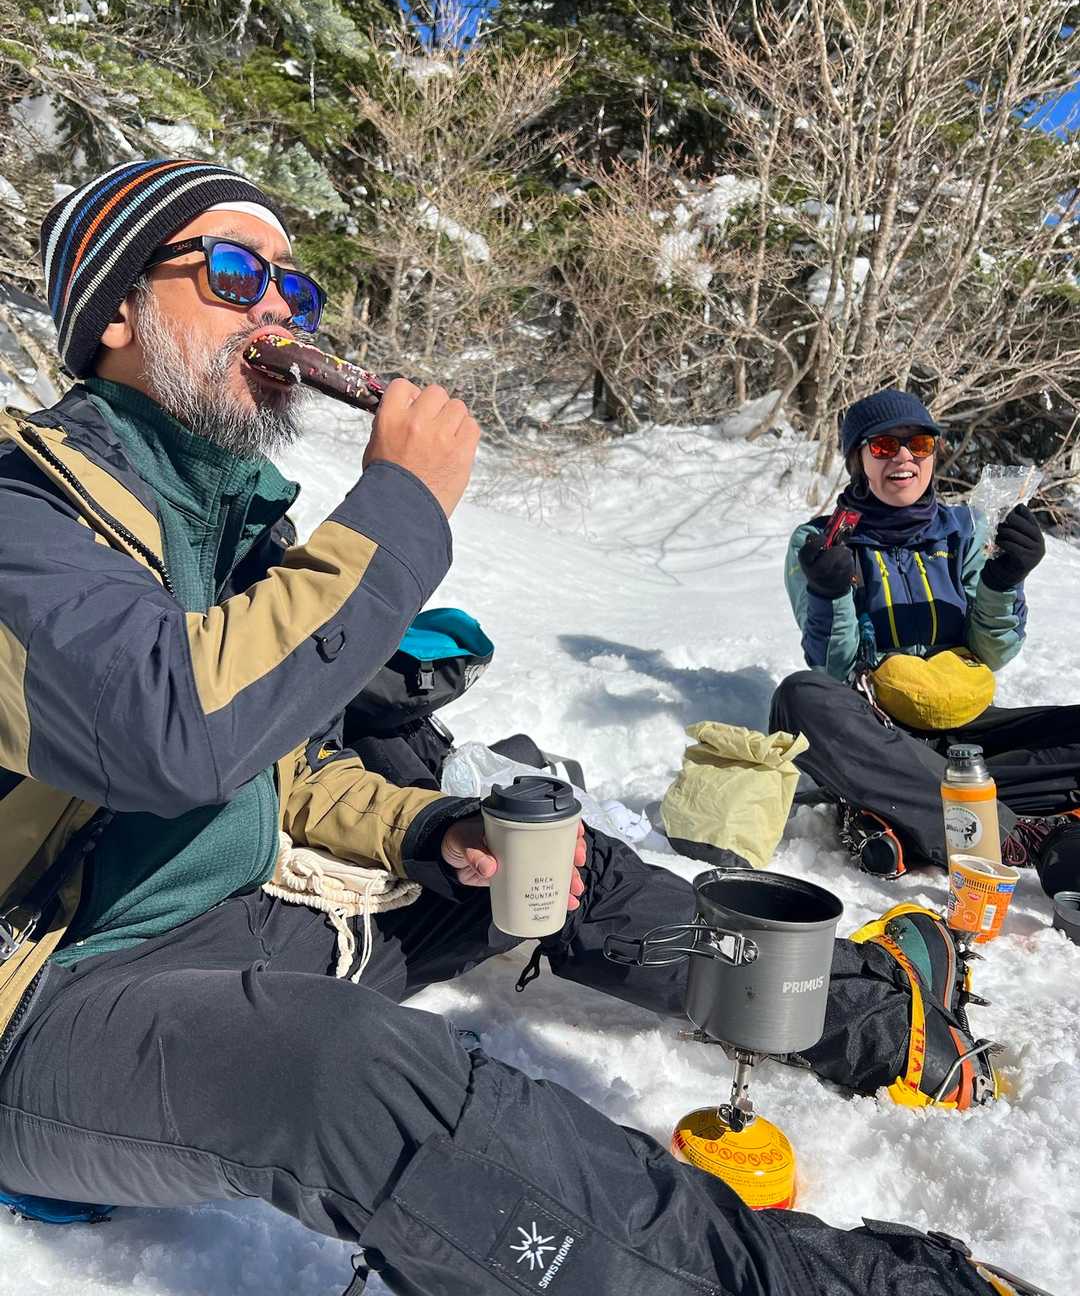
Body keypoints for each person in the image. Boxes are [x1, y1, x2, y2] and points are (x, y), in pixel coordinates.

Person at [0, 163, 1038, 1296]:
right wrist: (399, 505)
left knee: (541, 854)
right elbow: (174, 731)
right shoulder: (26, 511)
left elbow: (278, 771)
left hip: (229, 922)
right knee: (352, 1076)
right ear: (115, 308)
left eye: (295, 291)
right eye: (237, 274)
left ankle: (883, 1018)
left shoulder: (224, 518)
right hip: (51, 998)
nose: (278, 312)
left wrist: (431, 831)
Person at [770, 388, 1080, 886]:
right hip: (879, 736)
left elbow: (992, 652)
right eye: (883, 446)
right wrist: (830, 594)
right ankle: (1007, 832)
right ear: (858, 460)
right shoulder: (821, 542)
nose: (904, 458)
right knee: (799, 697)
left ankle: (906, 810)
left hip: (968, 736)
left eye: (918, 444)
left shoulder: (967, 530)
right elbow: (833, 669)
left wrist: (1004, 582)